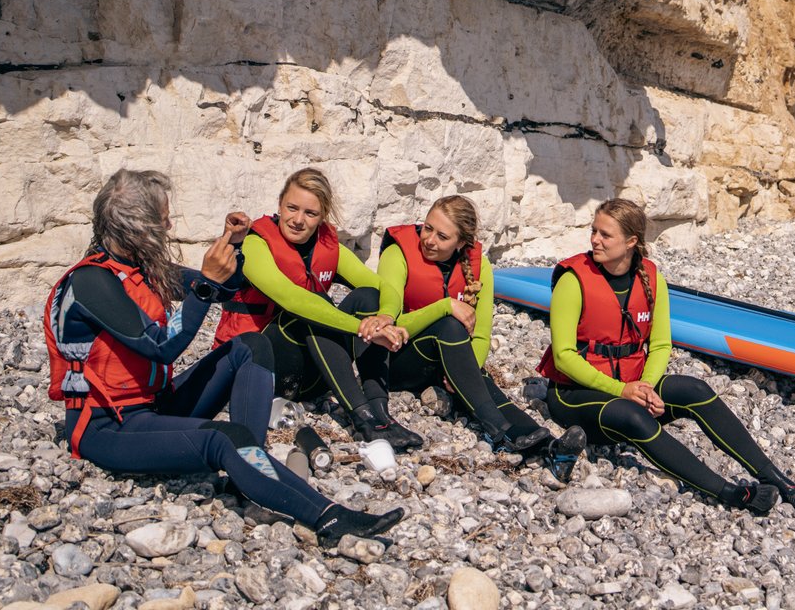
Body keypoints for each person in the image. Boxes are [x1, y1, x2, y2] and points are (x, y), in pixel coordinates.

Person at [44, 169, 403, 544]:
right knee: (224, 438)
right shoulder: (90, 282)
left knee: (251, 344)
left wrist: (232, 245)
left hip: (155, 404)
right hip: (108, 427)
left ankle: (253, 466)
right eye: (163, 218)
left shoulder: (144, 268)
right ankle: (328, 518)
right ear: (140, 227)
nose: (169, 224)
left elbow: (227, 289)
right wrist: (201, 290)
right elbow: (160, 345)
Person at [538, 198, 795, 513]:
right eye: (594, 231)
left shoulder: (650, 277)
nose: (594, 239)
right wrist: (624, 391)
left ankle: (780, 481)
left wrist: (645, 386)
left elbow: (660, 345)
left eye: (605, 235)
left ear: (631, 241)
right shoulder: (572, 279)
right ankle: (731, 494)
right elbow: (564, 357)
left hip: (632, 386)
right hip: (575, 396)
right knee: (631, 415)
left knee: (693, 389)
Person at [212, 167, 420, 450]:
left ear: (322, 217)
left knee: (368, 297)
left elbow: (386, 289)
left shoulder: (327, 246)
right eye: (292, 208)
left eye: (310, 214)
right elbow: (292, 299)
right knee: (314, 306)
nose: (298, 220)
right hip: (261, 373)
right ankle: (362, 418)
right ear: (279, 205)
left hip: (311, 378)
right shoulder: (255, 244)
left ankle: (379, 411)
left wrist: (384, 317)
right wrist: (360, 327)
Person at [377, 195, 586, 472]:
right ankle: (499, 433)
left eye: (442, 236)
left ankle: (548, 447)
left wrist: (466, 372)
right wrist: (444, 307)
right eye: (427, 228)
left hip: (447, 362)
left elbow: (482, 335)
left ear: (461, 243)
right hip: (400, 361)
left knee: (487, 388)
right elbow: (392, 326)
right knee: (449, 325)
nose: (429, 240)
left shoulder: (479, 266)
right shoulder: (398, 253)